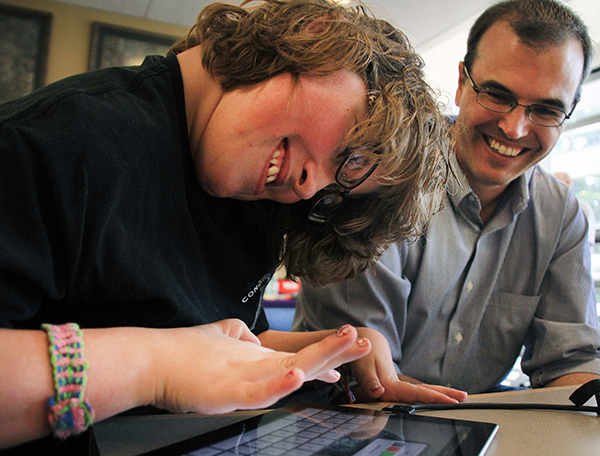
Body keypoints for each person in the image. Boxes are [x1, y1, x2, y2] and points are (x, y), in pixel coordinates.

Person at [0, 0, 467, 453]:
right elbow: (176, 352)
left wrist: (327, 354)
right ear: (316, 37)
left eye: (335, 191)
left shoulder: (252, 190)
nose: (310, 188)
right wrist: (153, 365)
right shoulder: (53, 144)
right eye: (353, 155)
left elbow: (223, 334)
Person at [294, 0, 600, 399]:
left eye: (545, 109)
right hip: (342, 416)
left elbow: (572, 366)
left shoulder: (560, 215)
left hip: (476, 426)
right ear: (461, 83)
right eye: (496, 94)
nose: (514, 128)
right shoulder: (380, 172)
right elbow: (365, 375)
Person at [554, 171, 596, 247]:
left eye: (556, 182)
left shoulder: (581, 206)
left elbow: (586, 238)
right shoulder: (555, 209)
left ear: (567, 183)